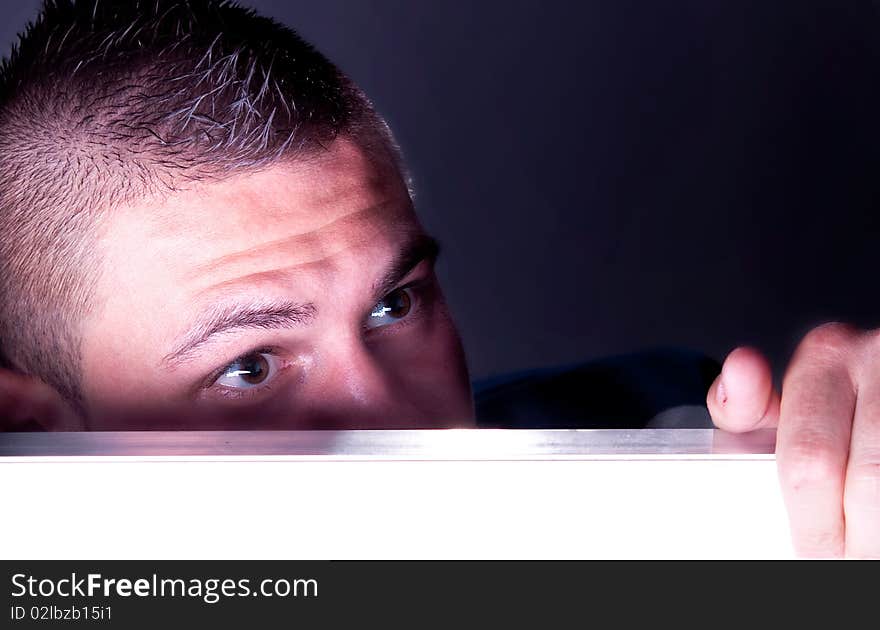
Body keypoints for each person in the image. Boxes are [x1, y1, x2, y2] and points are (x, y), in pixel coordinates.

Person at [0, 0, 876, 558]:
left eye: (393, 304)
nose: (392, 416)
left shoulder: (691, 431)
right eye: (250, 367)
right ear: (33, 431)